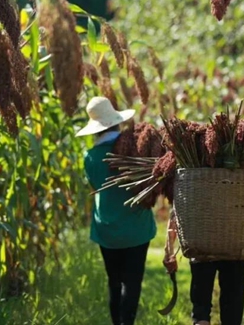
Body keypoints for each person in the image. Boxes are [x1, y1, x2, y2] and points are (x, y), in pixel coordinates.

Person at [76, 97, 157, 325]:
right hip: (137, 228)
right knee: (132, 283)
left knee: (114, 281)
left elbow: (96, 185)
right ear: (115, 122)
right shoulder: (136, 148)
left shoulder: (90, 157)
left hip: (107, 230)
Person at [163, 210, 244, 325]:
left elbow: (178, 201)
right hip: (233, 239)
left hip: (201, 240)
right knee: (232, 308)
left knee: (201, 308)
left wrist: (169, 248)